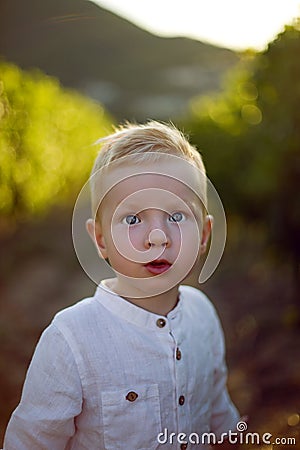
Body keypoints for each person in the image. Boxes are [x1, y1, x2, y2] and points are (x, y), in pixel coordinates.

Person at [3, 121, 240, 449]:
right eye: (133, 219)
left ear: (203, 235)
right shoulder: (71, 339)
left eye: (176, 216)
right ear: (101, 239)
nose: (157, 237)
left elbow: (218, 415)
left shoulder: (203, 315)